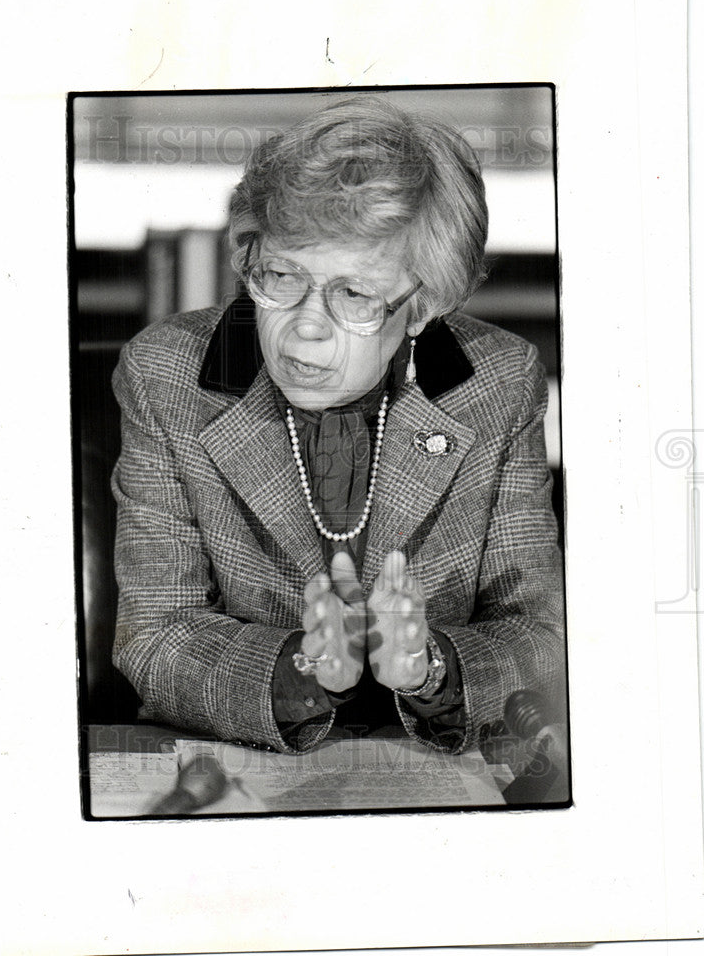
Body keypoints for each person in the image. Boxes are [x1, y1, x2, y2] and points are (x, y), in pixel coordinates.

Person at [111, 95, 565, 755]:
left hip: (433, 765)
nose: (306, 326)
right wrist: (301, 669)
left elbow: (539, 633)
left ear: (420, 309)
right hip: (239, 759)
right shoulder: (167, 377)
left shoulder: (496, 382)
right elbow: (153, 634)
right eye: (281, 276)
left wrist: (430, 665)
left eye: (354, 294)